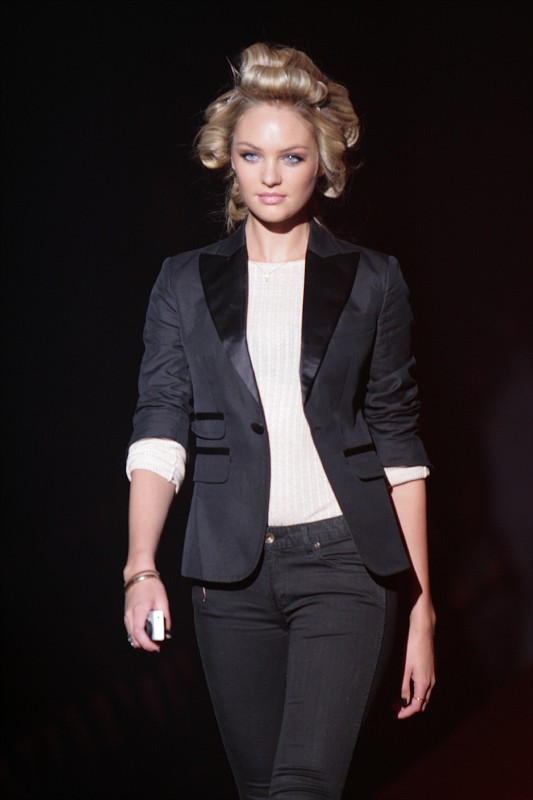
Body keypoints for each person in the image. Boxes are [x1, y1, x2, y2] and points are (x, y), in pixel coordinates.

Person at [123, 42, 436, 800]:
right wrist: (141, 567)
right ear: (227, 162)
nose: (269, 175)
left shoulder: (373, 280)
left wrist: (422, 607)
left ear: (322, 165)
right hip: (227, 579)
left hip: (345, 564)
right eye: (251, 155)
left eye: (291, 156)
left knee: (301, 787)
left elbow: (397, 441)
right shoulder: (182, 283)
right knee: (260, 789)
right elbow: (161, 427)